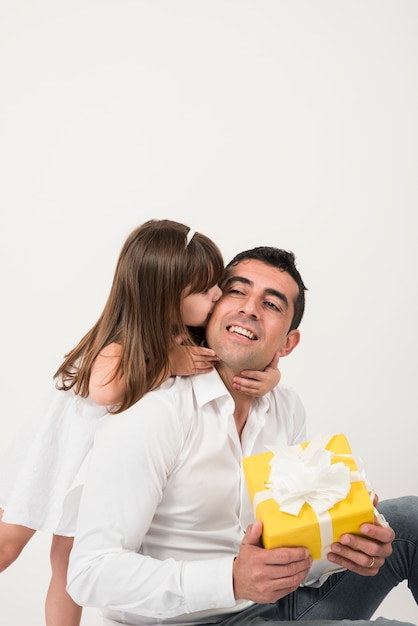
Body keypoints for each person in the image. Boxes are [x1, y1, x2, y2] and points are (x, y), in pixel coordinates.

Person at [67, 245, 418, 626]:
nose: (249, 308)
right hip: (181, 620)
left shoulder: (285, 406)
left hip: (269, 606)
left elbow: (289, 539)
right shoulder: (155, 413)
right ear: (210, 310)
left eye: (271, 305)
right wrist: (231, 579)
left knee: (409, 521)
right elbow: (90, 573)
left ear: (288, 342)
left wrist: (344, 548)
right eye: (237, 291)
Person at [0, 221, 281, 626]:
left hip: (106, 466)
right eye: (206, 290)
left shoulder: (192, 332)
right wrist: (170, 362)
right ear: (168, 298)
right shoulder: (120, 345)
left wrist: (270, 379)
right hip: (72, 448)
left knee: (68, 564)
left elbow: (241, 360)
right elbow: (105, 391)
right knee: (8, 544)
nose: (218, 295)